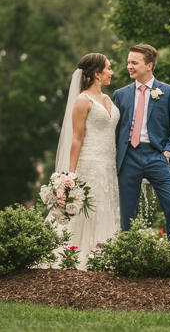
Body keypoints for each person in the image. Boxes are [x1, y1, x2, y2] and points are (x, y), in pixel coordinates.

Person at [52, 53, 121, 268]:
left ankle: (105, 253)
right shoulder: (83, 100)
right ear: (96, 74)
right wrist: (70, 175)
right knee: (89, 210)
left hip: (109, 164)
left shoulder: (108, 99)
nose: (112, 72)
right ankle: (77, 257)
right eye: (109, 68)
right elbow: (77, 138)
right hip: (89, 163)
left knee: (106, 208)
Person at [113, 44, 170, 238]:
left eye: (134, 63)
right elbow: (115, 129)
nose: (129, 66)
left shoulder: (169, 92)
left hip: (157, 156)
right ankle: (129, 255)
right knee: (128, 211)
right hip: (128, 157)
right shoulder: (120, 95)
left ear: (149, 65)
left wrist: (168, 153)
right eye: (128, 62)